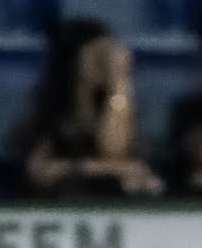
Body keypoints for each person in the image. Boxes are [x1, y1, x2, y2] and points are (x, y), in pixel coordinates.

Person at [18, 18, 163, 199]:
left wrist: (119, 83)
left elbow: (115, 153)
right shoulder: (49, 110)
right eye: (98, 55)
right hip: (62, 202)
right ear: (75, 59)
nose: (105, 63)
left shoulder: (117, 103)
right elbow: (40, 172)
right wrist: (103, 168)